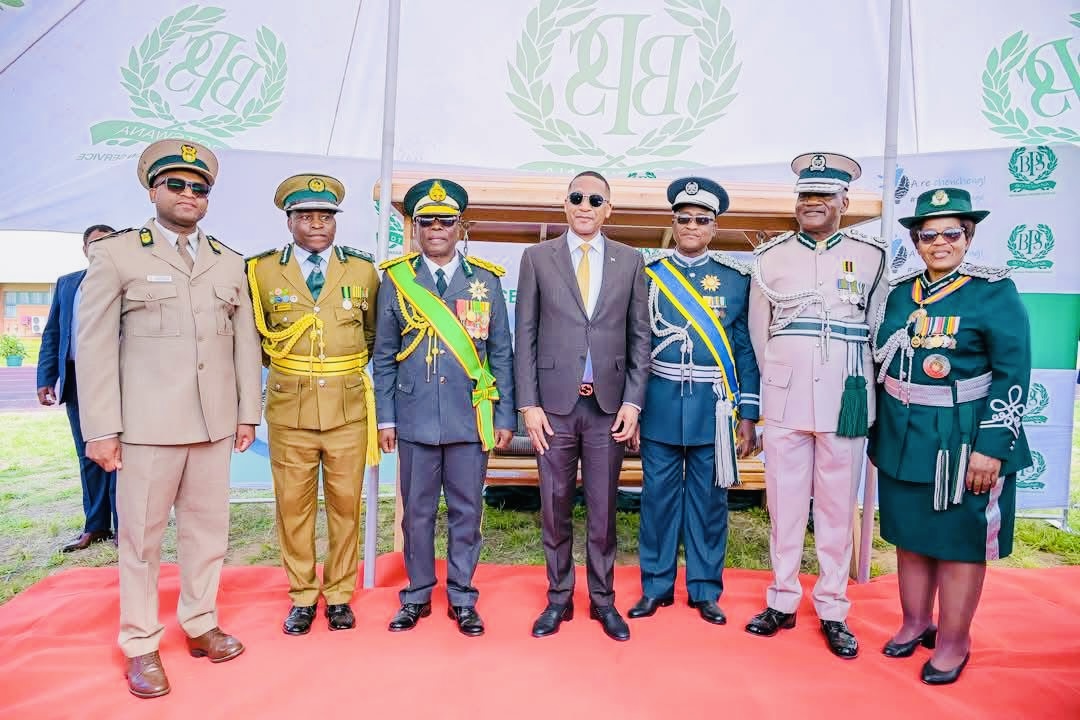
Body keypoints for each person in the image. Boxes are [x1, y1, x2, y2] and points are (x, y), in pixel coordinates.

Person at [76, 139, 262, 698]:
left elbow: (245, 345)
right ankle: (139, 642)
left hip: (211, 428)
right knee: (140, 541)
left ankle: (201, 623)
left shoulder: (229, 261)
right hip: (147, 429)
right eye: (176, 185)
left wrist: (246, 414)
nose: (188, 195)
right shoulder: (117, 254)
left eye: (199, 188)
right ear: (153, 190)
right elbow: (94, 347)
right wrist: (102, 428)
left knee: (208, 536)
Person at [869, 187, 1031, 685]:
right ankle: (917, 622)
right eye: (928, 234)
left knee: (959, 540)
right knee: (910, 535)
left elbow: (1013, 370)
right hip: (903, 435)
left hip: (963, 439)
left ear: (969, 236)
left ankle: (956, 639)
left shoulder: (992, 291)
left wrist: (991, 447)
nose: (939, 242)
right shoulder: (900, 292)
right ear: (916, 241)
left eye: (951, 233)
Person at [746, 152, 887, 659]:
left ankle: (831, 605)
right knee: (783, 504)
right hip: (785, 398)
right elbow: (759, 333)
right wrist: (781, 375)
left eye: (824, 196)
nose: (813, 203)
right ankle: (782, 598)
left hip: (845, 400)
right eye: (806, 196)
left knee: (834, 507)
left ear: (843, 202)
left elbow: (877, 332)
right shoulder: (769, 257)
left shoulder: (872, 257)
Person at [372, 178, 514, 636]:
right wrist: (387, 417)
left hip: (469, 418)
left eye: (445, 220)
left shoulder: (485, 281)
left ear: (460, 227)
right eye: (426, 221)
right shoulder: (396, 280)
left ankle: (461, 597)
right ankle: (416, 595)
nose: (436, 228)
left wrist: (506, 416)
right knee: (415, 512)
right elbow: (383, 353)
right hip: (413, 419)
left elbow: (502, 354)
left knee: (466, 510)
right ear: (414, 227)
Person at [514, 170, 650, 642]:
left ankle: (603, 600)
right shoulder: (536, 258)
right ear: (565, 205)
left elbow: (640, 337)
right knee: (553, 505)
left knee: (603, 508)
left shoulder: (631, 261)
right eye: (577, 197)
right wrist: (528, 404)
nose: (585, 205)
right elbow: (524, 335)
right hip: (553, 408)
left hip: (608, 409)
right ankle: (558, 599)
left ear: (609, 209)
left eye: (596, 199)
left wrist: (633, 401)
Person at [246, 174, 380, 636]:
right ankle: (302, 595)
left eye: (326, 216)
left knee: (346, 506)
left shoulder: (363, 271)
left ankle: (340, 594)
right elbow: (256, 345)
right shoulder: (260, 271)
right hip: (291, 411)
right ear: (289, 221)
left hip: (347, 410)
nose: (317, 224)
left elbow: (371, 337)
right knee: (293, 507)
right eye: (306, 216)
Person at [628, 178, 760, 625]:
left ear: (715, 226)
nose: (691, 226)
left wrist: (749, 414)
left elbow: (744, 349)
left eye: (701, 219)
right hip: (661, 402)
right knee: (658, 501)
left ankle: (705, 590)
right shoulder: (649, 276)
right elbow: (636, 346)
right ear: (673, 222)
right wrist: (633, 406)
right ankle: (656, 587)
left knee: (708, 503)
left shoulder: (736, 279)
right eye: (683, 218)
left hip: (715, 408)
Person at [37, 224, 118, 552]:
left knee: (117, 454)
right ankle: (95, 526)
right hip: (75, 380)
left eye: (107, 244)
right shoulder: (68, 283)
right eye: (94, 245)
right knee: (88, 454)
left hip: (116, 380)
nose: (100, 250)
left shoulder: (125, 282)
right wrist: (46, 377)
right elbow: (53, 332)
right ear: (85, 249)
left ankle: (124, 529)